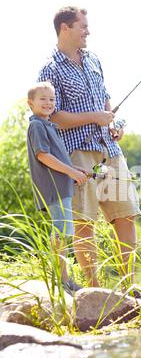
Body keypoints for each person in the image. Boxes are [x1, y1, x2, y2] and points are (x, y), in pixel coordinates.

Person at [38, 6, 141, 289]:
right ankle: (93, 290)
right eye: (82, 26)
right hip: (77, 153)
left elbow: (105, 100)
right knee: (85, 222)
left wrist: (112, 124)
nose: (88, 31)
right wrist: (94, 117)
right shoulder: (51, 68)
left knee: (126, 213)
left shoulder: (94, 59)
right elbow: (53, 115)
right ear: (65, 29)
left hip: (109, 148)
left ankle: (129, 285)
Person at [27, 81, 88, 293]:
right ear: (30, 103)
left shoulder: (49, 126)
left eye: (51, 99)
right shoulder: (37, 125)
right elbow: (43, 155)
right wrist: (71, 172)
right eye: (42, 99)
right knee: (61, 232)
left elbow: (57, 158)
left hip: (62, 187)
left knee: (64, 232)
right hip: (54, 188)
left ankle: (64, 279)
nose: (48, 103)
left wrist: (75, 169)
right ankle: (62, 281)